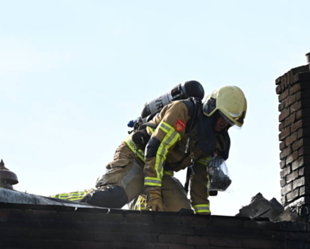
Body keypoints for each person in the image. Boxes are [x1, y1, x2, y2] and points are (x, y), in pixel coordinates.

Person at [75, 85, 246, 214]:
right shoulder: (182, 112)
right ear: (211, 108)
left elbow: (200, 179)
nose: (224, 124)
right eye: (222, 117)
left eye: (229, 122)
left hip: (159, 171)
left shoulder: (215, 141)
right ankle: (69, 201)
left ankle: (141, 204)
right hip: (136, 157)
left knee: (182, 215)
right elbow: (156, 151)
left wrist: (204, 217)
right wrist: (154, 195)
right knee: (111, 198)